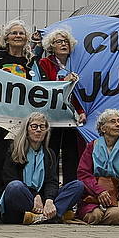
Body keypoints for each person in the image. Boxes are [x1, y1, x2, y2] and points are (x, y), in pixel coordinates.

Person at [0, 112, 85, 224]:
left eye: (42, 127)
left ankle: (42, 216)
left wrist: (49, 200)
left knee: (77, 185)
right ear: (27, 130)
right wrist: (35, 195)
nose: (38, 130)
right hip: (24, 199)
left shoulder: (49, 154)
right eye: (34, 126)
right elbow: (9, 179)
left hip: (43, 201)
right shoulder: (14, 151)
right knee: (14, 186)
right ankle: (53, 216)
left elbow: (52, 181)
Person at [33, 27, 86, 183]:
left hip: (70, 116)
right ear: (51, 46)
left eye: (66, 41)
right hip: (52, 116)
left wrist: (81, 110)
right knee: (51, 152)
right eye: (59, 42)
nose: (63, 44)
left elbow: (78, 94)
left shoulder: (76, 63)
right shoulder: (44, 63)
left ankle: (70, 192)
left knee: (71, 154)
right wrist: (64, 82)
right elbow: (44, 88)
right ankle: (50, 191)